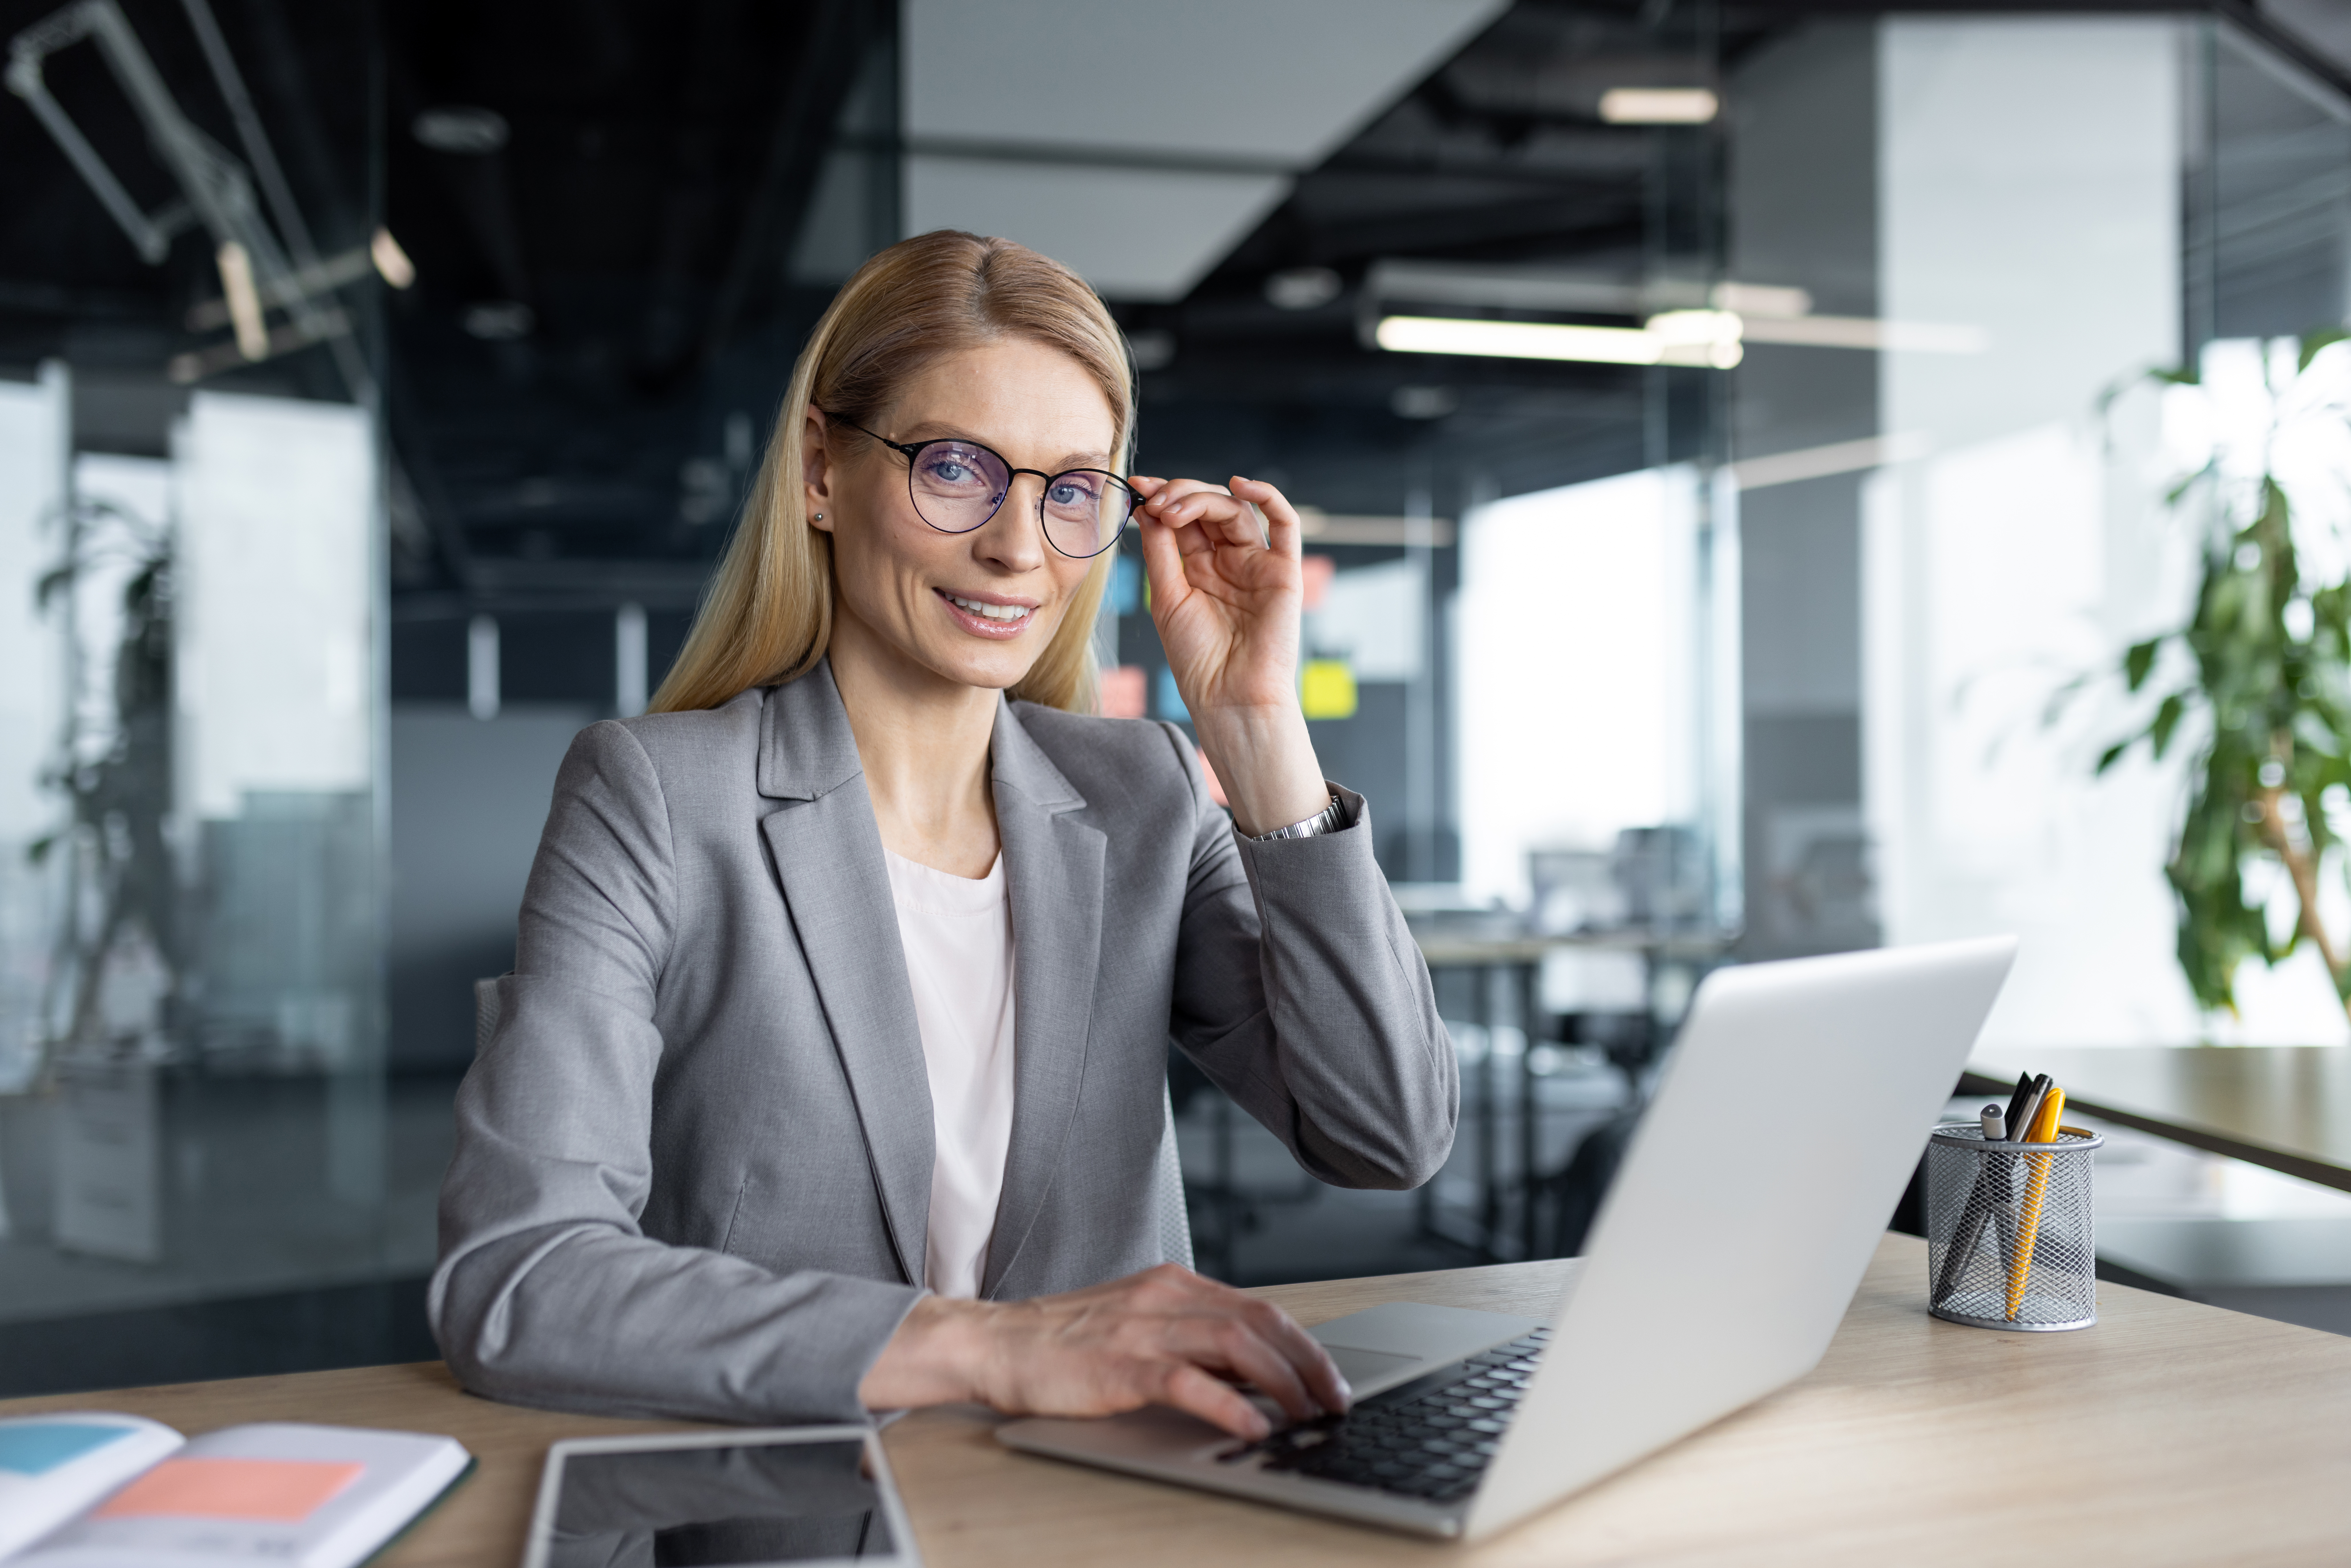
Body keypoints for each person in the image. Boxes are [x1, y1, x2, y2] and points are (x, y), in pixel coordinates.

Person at [430, 230, 1457, 1443]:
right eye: (958, 469)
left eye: (1071, 489)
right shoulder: (656, 798)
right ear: (821, 470)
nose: (1019, 548)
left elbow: (1384, 1132)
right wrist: (996, 1347)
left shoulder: (1146, 794)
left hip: (1105, 1514)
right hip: (804, 1520)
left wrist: (1253, 730)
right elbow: (521, 1278)